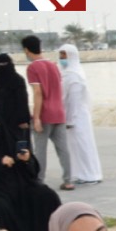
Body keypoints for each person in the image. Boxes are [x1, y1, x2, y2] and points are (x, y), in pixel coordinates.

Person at [0, 109, 60, 231]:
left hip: (20, 184)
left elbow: (32, 172)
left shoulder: (8, 140)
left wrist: (27, 160)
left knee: (46, 195)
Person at [21, 35, 74, 189]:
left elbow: (38, 93)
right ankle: (68, 180)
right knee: (63, 149)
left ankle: (39, 180)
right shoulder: (53, 65)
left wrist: (36, 117)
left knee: (40, 150)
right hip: (59, 112)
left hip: (45, 114)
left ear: (26, 50)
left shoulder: (32, 68)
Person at [57, 44, 103, 185]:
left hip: (77, 117)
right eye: (60, 55)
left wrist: (70, 120)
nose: (62, 58)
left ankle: (90, 175)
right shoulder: (67, 73)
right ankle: (79, 174)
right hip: (72, 116)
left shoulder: (75, 75)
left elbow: (74, 101)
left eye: (64, 55)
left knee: (83, 146)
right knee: (75, 147)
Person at [0, 54, 30, 148]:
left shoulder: (15, 80)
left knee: (18, 149)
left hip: (16, 122)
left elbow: (22, 100)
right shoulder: (3, 81)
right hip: (6, 122)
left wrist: (23, 120)